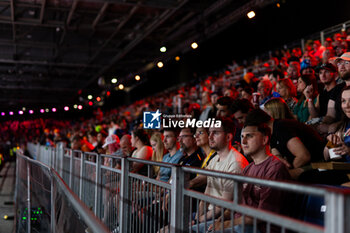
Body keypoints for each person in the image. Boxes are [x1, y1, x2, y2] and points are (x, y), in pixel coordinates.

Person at [208, 122, 290, 233]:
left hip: (260, 228)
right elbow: (237, 202)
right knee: (191, 229)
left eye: (249, 136)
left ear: (264, 140)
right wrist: (221, 219)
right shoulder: (248, 168)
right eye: (242, 137)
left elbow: (262, 215)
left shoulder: (275, 169)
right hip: (239, 224)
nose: (244, 141)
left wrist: (227, 224)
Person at [191, 117, 249, 232]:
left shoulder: (236, 163)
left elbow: (222, 207)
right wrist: (198, 218)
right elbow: (206, 195)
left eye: (215, 133)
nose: (210, 137)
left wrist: (198, 221)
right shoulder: (215, 158)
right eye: (210, 132)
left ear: (228, 137)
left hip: (221, 218)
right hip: (207, 216)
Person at [245, 109, 325, 179]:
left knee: (279, 176)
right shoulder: (271, 131)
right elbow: (275, 153)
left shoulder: (281, 127)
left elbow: (304, 156)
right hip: (309, 164)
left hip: (320, 163)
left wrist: (289, 169)